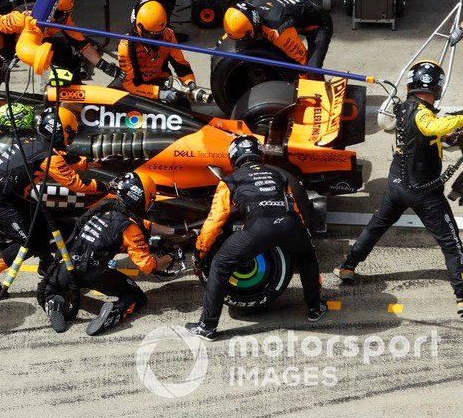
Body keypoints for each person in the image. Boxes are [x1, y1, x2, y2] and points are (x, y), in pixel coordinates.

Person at [335, 61, 463, 317]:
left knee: (376, 226)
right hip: (424, 192)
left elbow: (424, 134)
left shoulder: (405, 107)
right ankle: (462, 297)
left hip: (397, 185)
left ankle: (348, 266)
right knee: (452, 245)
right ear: (436, 86)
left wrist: (447, 137)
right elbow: (428, 126)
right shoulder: (424, 114)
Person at [186, 135, 326, 340]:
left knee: (220, 264)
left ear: (234, 158)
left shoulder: (229, 181)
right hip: (290, 225)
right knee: (307, 254)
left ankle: (207, 326)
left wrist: (200, 252)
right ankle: (314, 308)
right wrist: (301, 235)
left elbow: (214, 223)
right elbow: (294, 208)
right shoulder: (279, 174)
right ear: (259, 153)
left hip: (258, 230)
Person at [0, 106, 103, 297]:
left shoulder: (35, 142)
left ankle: (46, 264)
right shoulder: (48, 156)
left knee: (42, 221)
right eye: (71, 133)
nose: (72, 138)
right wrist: (104, 187)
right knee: (29, 241)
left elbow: (64, 158)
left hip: (4, 194)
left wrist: (90, 162)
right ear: (60, 132)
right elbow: (77, 185)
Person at [40, 170, 176, 336]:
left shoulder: (104, 206)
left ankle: (54, 303)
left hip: (70, 266)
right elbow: (147, 266)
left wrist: (173, 231)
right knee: (136, 296)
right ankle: (114, 312)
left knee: (47, 287)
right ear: (139, 197)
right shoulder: (129, 226)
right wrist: (171, 257)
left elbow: (143, 224)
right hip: (97, 273)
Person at [0, 0, 121, 89]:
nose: (65, 18)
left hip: (41, 40)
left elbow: (82, 45)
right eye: (62, 14)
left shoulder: (64, 20)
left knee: (70, 59)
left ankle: (73, 88)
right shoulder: (21, 17)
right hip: (13, 42)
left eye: (68, 13)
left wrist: (105, 66)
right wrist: (1, 54)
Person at [117, 0, 211, 104]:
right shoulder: (126, 47)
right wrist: (159, 93)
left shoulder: (168, 35)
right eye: (151, 35)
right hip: (139, 87)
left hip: (161, 79)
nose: (156, 39)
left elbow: (181, 65)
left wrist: (189, 82)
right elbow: (130, 84)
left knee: (182, 104)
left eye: (159, 34)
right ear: (138, 27)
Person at [222, 0, 332, 68]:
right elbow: (236, 28)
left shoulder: (278, 32)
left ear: (255, 25)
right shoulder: (246, 6)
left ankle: (319, 96)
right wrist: (222, 41)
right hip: (292, 12)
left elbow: (301, 61)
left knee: (312, 69)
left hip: (318, 23)